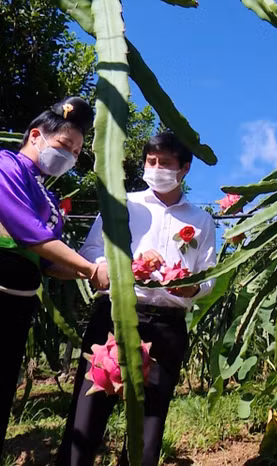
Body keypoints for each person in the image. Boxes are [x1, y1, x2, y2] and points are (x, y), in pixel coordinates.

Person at [56, 132, 217, 466]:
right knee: (85, 421)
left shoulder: (201, 221)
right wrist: (127, 266)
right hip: (113, 320)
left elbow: (208, 276)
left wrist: (190, 286)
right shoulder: (122, 205)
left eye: (166, 163)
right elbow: (90, 254)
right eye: (151, 161)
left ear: (184, 168)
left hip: (167, 327)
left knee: (147, 430)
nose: (156, 168)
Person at [0, 97, 108, 453]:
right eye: (64, 146)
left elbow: (48, 262)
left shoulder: (50, 199)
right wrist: (90, 267)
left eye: (77, 153)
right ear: (36, 135)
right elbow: (31, 234)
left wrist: (96, 274)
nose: (70, 157)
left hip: (19, 304)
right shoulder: (6, 167)